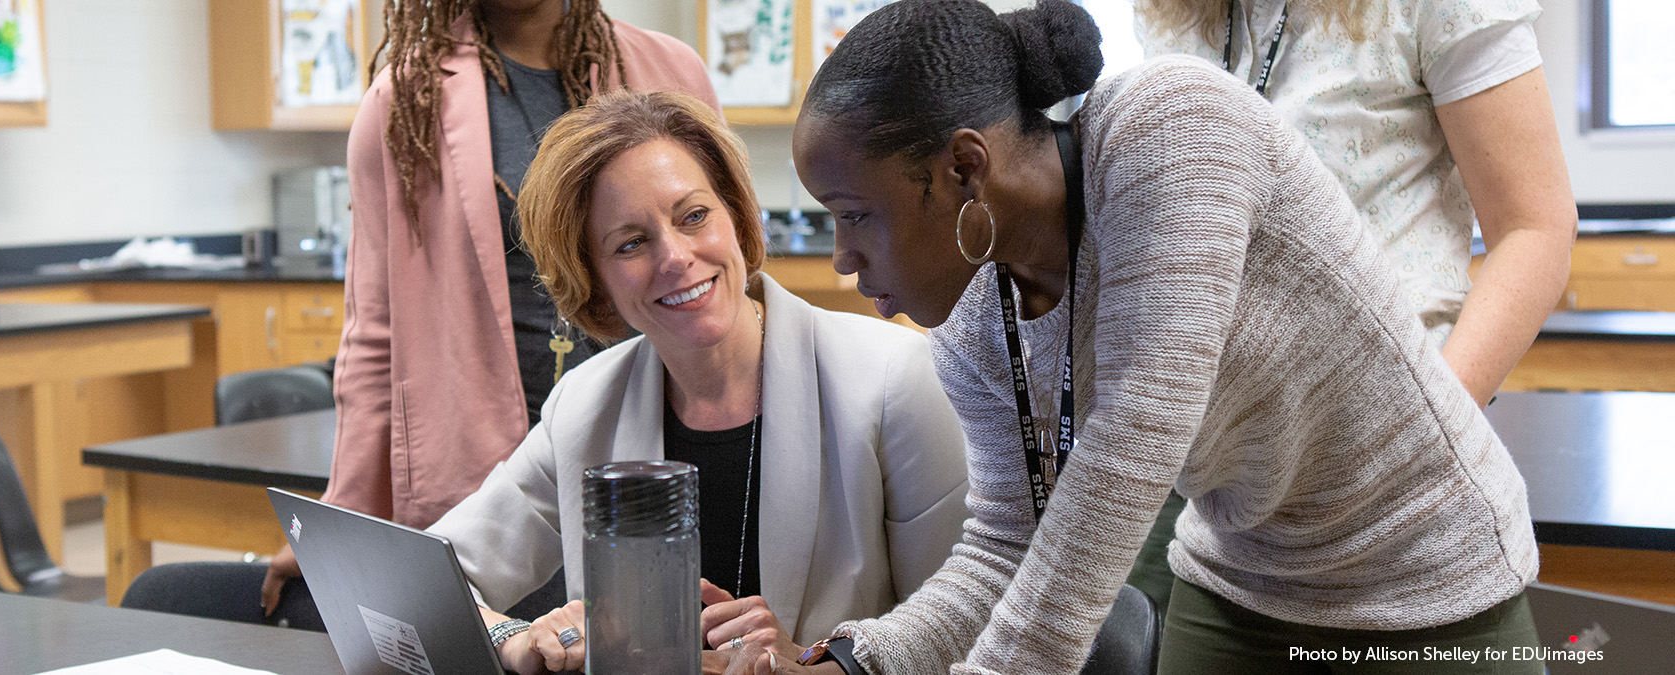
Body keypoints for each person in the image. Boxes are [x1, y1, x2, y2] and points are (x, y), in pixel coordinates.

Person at [762, 1, 1541, 673]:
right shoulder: (978, 322)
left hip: (1423, 569)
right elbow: (1007, 545)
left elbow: (1134, 433)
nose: (840, 258)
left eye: (854, 212)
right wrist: (849, 659)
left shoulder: (1170, 128)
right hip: (1243, 576)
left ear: (966, 165)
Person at [424, 89, 970, 675]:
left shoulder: (895, 379)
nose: (676, 256)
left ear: (735, 215)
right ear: (594, 278)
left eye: (693, 216)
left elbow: (967, 625)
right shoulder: (585, 406)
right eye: (631, 243)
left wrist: (816, 664)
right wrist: (515, 637)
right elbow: (432, 575)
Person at [255, 0, 720, 616]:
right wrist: (341, 521)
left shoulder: (669, 69)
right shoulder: (404, 105)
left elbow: (725, 258)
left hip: (658, 443)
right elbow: (375, 333)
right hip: (488, 469)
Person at [1122, 0, 1576, 609]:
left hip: (1390, 485)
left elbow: (1535, 227)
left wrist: (1431, 434)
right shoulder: (1175, 14)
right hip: (1210, 486)